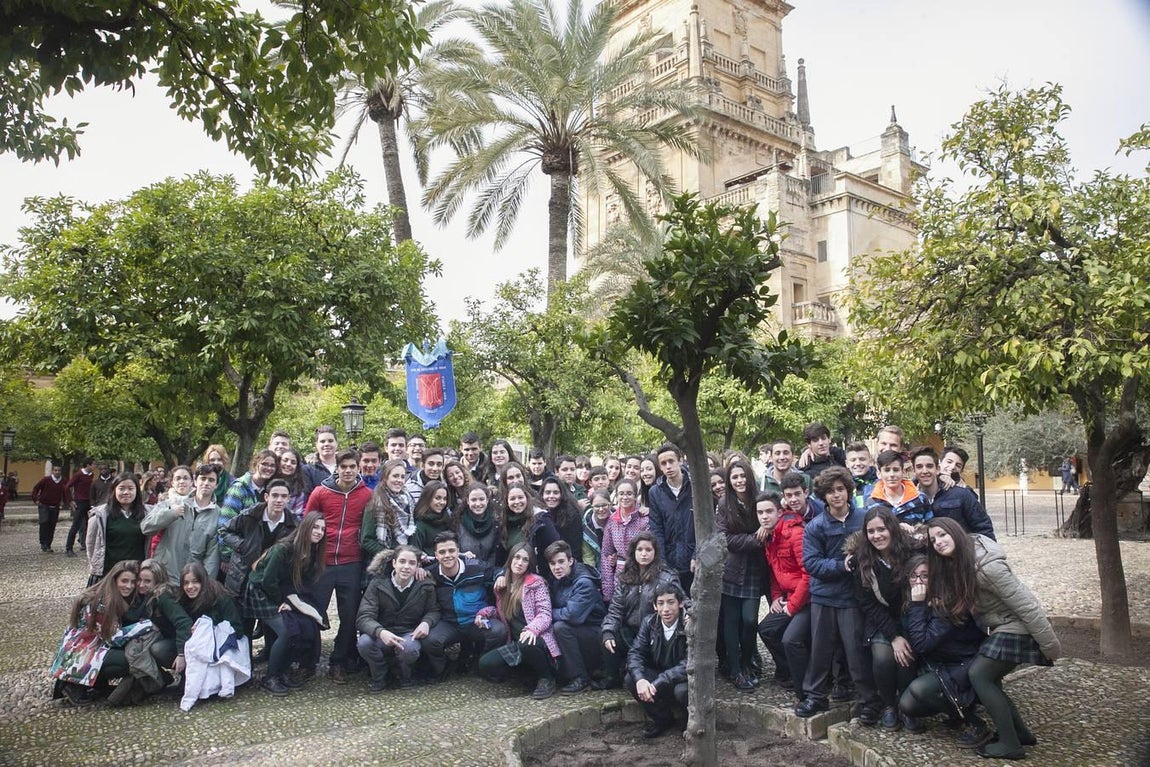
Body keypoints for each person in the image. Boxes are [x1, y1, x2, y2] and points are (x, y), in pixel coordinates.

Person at [926, 517, 1061, 760]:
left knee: (979, 674)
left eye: (942, 535)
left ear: (956, 533)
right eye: (933, 539)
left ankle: (1010, 744)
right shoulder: (960, 562)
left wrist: (1050, 645)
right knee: (990, 679)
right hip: (1002, 626)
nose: (938, 542)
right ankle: (1020, 734)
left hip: (1017, 626)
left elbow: (1025, 604)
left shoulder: (986, 567)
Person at [796, 466, 881, 724]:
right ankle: (816, 696)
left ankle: (869, 701)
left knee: (856, 652)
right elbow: (811, 563)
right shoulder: (816, 526)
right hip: (823, 596)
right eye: (831, 492)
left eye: (841, 490)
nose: (836, 495)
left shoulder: (863, 519)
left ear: (848, 491)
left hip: (852, 598)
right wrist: (840, 565)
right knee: (821, 651)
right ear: (824, 496)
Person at [898, 554, 990, 746]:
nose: (918, 581)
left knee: (919, 689)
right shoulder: (913, 601)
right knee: (907, 705)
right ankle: (954, 710)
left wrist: (917, 605)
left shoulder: (944, 602)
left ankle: (975, 723)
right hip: (939, 665)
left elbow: (922, 643)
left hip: (962, 663)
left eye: (925, 575)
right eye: (913, 576)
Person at [845, 507, 920, 731]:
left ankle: (908, 707)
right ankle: (889, 705)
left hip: (910, 616)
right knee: (883, 657)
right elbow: (867, 603)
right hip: (880, 619)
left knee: (906, 656)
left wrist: (903, 634)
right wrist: (893, 636)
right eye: (871, 531)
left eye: (882, 529)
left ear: (892, 529)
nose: (877, 535)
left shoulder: (911, 553)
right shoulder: (862, 562)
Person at [305, 449, 372, 683]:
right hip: (322, 562)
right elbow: (307, 522)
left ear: (358, 468)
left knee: (349, 615)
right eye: (343, 467)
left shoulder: (367, 495)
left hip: (351, 562)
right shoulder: (320, 492)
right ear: (337, 469)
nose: (347, 471)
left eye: (352, 466)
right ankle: (308, 660)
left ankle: (339, 661)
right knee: (314, 612)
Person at [247, 511, 328, 695]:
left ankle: (283, 672)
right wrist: (281, 602)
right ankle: (270, 678)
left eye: (322, 529)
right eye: (315, 527)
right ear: (305, 527)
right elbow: (268, 580)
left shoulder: (311, 552)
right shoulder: (283, 549)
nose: (319, 532)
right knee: (286, 631)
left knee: (303, 624)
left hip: (283, 593)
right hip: (260, 592)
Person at [475, 542, 561, 700]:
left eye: (525, 560)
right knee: (485, 664)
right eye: (517, 557)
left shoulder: (536, 583)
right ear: (510, 559)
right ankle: (524, 672)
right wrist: (483, 614)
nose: (520, 563)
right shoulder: (503, 584)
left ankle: (546, 678)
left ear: (529, 564)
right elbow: (502, 612)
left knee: (527, 644)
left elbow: (545, 614)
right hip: (515, 642)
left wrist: (532, 629)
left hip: (537, 640)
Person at [50, 559, 141, 706]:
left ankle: (94, 682)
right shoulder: (101, 603)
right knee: (126, 661)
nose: (129, 586)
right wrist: (147, 624)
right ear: (114, 579)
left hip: (84, 648)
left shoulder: (106, 596)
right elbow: (114, 638)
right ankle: (73, 685)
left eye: (132, 582)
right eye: (124, 581)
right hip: (80, 653)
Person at [601, 532, 680, 689]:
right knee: (607, 633)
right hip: (629, 632)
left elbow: (680, 603)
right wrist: (608, 631)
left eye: (648, 550)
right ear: (634, 552)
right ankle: (612, 677)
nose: (644, 554)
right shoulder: (625, 577)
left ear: (655, 552)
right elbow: (615, 610)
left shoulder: (667, 576)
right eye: (640, 550)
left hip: (653, 632)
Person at [715, 458, 768, 692]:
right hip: (732, 568)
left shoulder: (760, 500)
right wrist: (755, 539)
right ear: (729, 480)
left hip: (755, 569)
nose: (739, 480)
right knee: (731, 622)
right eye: (734, 477)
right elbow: (723, 538)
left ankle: (748, 662)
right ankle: (736, 670)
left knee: (749, 621)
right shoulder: (725, 503)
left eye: (742, 476)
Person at [423, 531, 505, 681]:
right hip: (449, 623)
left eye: (451, 550)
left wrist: (500, 576)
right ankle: (443, 667)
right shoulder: (431, 573)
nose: (447, 555)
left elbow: (497, 571)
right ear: (435, 555)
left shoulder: (475, 567)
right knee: (430, 640)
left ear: (458, 551)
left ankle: (482, 664)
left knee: (499, 631)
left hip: (476, 621)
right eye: (442, 552)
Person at [756, 491, 811, 699]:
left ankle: (806, 690)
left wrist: (792, 605)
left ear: (780, 512)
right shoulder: (769, 536)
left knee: (791, 640)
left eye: (769, 511)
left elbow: (808, 575)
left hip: (807, 600)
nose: (764, 517)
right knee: (766, 629)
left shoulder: (795, 534)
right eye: (760, 513)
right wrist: (777, 595)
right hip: (787, 596)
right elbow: (774, 571)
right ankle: (787, 671)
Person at [178, 561, 250, 709]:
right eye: (186, 583)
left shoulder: (220, 597)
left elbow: (237, 629)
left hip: (226, 643)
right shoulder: (185, 600)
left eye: (195, 582)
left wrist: (212, 630)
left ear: (203, 581)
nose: (190, 587)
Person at [625, 582, 689, 739]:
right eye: (660, 603)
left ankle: (686, 721)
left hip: (683, 679)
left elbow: (689, 663)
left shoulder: (689, 625)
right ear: (655, 606)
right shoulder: (649, 623)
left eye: (671, 602)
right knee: (631, 679)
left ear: (680, 603)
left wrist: (660, 681)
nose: (665, 609)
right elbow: (635, 653)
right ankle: (662, 719)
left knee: (682, 692)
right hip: (659, 675)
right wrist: (640, 679)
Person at [142, 464, 222, 588]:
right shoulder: (172, 504)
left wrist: (205, 584)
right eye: (203, 478)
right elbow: (146, 527)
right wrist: (171, 514)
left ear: (216, 485)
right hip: (165, 577)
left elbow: (212, 556)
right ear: (195, 481)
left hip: (191, 583)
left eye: (211, 480)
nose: (206, 483)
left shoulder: (217, 514)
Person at [220, 477, 296, 602]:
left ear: (288, 499)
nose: (279, 500)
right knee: (239, 620)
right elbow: (224, 531)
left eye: (283, 496)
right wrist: (242, 545)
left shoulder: (293, 525)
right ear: (266, 497)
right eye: (275, 495)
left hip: (270, 581)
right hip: (242, 576)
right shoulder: (249, 515)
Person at [544, 541, 606, 694]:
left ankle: (580, 678)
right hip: (580, 630)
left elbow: (572, 616)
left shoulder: (584, 582)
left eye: (561, 562)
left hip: (597, 634)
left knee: (560, 628)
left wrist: (549, 613)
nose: (556, 567)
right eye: (552, 563)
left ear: (570, 561)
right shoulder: (559, 579)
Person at [128, 559, 194, 701]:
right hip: (168, 637)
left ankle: (187, 673)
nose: (141, 584)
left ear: (157, 582)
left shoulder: (163, 597)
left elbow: (184, 623)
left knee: (157, 649)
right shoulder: (146, 596)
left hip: (183, 642)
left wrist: (182, 654)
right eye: (139, 580)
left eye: (147, 581)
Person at [911, 446, 995, 539]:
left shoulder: (962, 493)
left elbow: (983, 528)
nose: (925, 471)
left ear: (937, 468)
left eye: (929, 466)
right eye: (919, 467)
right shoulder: (908, 498)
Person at [218, 450, 279, 570]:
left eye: (272, 465)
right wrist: (226, 556)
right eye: (264, 464)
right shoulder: (239, 488)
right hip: (238, 556)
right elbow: (224, 524)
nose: (268, 468)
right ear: (256, 464)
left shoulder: (270, 490)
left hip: (260, 557)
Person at [648, 443, 696, 594]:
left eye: (671, 461)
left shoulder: (695, 486)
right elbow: (657, 529)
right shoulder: (655, 492)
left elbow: (706, 525)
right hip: (670, 559)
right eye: (663, 463)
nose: (668, 466)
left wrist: (698, 554)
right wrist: (661, 562)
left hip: (694, 559)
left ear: (680, 461)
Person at [86, 472, 147, 587]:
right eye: (121, 488)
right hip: (109, 573)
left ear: (137, 491)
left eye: (130, 488)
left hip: (137, 573)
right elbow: (91, 545)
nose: (126, 492)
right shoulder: (101, 515)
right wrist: (95, 567)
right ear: (114, 490)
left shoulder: (147, 514)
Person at [599, 479, 650, 602]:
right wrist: (608, 589)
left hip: (642, 574)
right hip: (620, 576)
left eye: (629, 493)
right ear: (616, 496)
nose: (625, 497)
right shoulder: (612, 521)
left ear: (635, 496)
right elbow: (606, 554)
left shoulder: (644, 519)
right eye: (621, 493)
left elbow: (650, 549)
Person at [361, 458, 418, 559]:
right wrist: (392, 555)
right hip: (383, 562)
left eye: (402, 477)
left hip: (406, 561)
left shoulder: (409, 501)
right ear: (385, 478)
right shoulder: (375, 503)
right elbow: (366, 540)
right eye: (395, 476)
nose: (399, 480)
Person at [866, 449, 931, 530]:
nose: (892, 474)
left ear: (903, 472)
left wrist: (915, 531)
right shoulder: (871, 502)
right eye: (887, 470)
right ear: (879, 474)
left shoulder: (920, 498)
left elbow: (930, 528)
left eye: (896, 470)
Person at [538, 476, 584, 564]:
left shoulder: (572, 514)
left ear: (562, 494)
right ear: (542, 494)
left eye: (555, 492)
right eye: (548, 492)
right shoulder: (538, 514)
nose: (551, 496)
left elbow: (575, 548)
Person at [456, 482, 499, 564]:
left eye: (482, 499)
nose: (478, 504)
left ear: (487, 500)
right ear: (468, 501)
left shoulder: (495, 523)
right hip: (465, 571)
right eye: (473, 500)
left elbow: (494, 553)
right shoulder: (457, 523)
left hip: (489, 571)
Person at [412, 480, 453, 559]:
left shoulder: (448, 520)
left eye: (444, 499)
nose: (442, 502)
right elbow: (415, 552)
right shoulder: (419, 525)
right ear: (427, 498)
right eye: (437, 498)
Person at [63, 458, 96, 558]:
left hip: (89, 502)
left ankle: (85, 543)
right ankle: (69, 548)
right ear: (88, 465)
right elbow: (67, 487)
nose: (95, 466)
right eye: (93, 464)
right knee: (75, 525)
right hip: (80, 501)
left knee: (90, 524)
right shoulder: (78, 474)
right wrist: (70, 500)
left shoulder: (91, 475)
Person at [32, 463, 66, 553]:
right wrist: (35, 499)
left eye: (59, 471)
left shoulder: (63, 481)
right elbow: (36, 488)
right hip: (44, 504)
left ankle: (48, 544)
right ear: (52, 471)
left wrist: (65, 502)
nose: (57, 472)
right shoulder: (46, 480)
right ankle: (43, 542)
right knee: (44, 522)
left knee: (52, 525)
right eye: (55, 470)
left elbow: (66, 492)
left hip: (55, 505)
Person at [276, 447, 312, 521]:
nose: (288, 464)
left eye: (293, 462)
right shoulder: (267, 482)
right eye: (285, 460)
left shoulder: (299, 490)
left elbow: (298, 516)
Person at [581, 490, 612, 569]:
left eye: (604, 505)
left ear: (610, 505)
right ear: (592, 507)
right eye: (597, 506)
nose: (601, 509)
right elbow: (588, 557)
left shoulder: (619, 521)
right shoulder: (586, 526)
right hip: (597, 565)